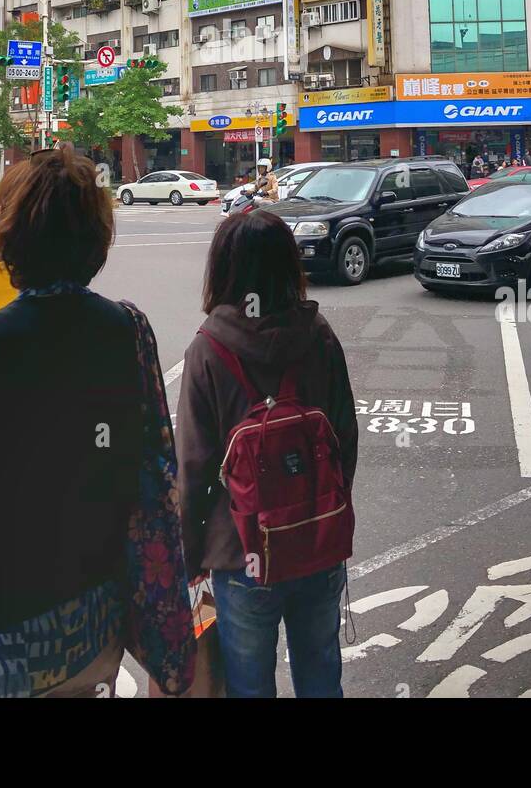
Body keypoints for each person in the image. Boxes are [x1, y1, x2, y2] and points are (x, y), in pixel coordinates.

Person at [0, 145, 195, 699]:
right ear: (95, 240)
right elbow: (142, 474)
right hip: (88, 628)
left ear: (12, 237)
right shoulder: (124, 331)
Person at [176, 210, 358, 699]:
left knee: (249, 683)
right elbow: (345, 439)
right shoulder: (318, 335)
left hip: (242, 553)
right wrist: (325, 515)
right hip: (317, 544)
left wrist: (190, 558)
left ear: (223, 270)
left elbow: (193, 469)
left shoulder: (210, 350)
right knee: (320, 671)